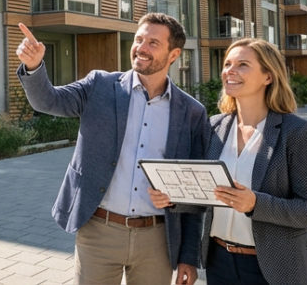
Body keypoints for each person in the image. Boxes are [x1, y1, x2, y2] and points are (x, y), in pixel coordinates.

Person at [16, 14, 209, 285]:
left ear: (174, 53)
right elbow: (49, 101)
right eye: (139, 39)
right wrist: (34, 66)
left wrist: (189, 256)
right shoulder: (100, 86)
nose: (141, 47)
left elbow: (194, 193)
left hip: (157, 238)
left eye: (153, 42)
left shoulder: (192, 112)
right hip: (98, 231)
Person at [149, 38, 307, 285]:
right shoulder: (214, 127)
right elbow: (205, 196)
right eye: (228, 64)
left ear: (268, 76)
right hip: (219, 262)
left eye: (242, 64)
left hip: (273, 268)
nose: (230, 71)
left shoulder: (297, 133)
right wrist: (172, 199)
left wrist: (255, 204)